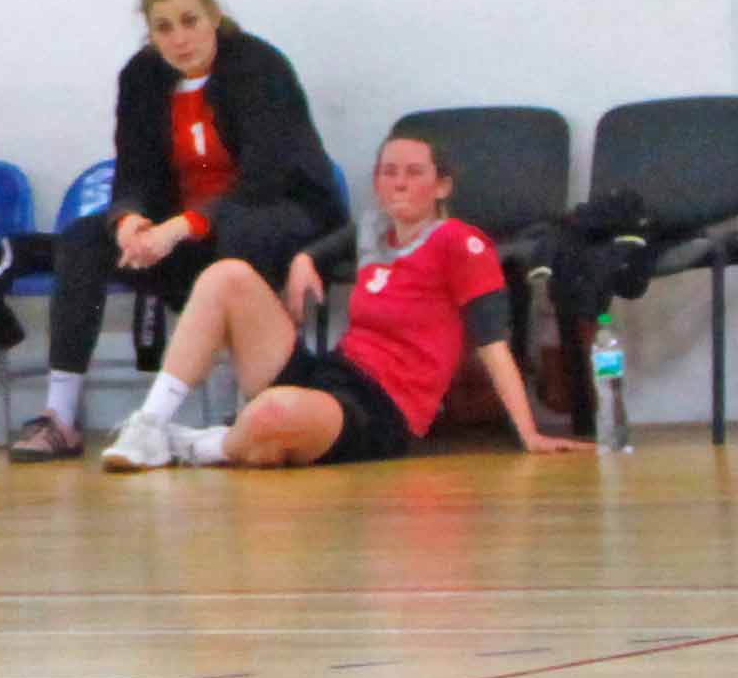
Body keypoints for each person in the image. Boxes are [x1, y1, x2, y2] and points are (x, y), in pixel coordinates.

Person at [11, 0, 349, 459]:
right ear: (150, 34)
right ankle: (60, 414)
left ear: (214, 16)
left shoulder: (259, 67)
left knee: (240, 234)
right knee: (82, 239)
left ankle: (249, 404)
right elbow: (133, 171)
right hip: (186, 229)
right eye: (164, 28)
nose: (180, 39)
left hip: (282, 214)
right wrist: (129, 218)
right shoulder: (141, 77)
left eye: (190, 21)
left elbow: (265, 179)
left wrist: (182, 227)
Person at [98, 127, 575, 470]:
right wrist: (304, 261)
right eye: (389, 173)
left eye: (414, 173)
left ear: (442, 185)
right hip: (331, 372)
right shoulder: (373, 230)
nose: (400, 183)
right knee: (227, 276)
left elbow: (493, 342)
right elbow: (322, 249)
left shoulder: (459, 241)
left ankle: (201, 446)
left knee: (272, 414)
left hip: (381, 409)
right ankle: (150, 425)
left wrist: (529, 432)